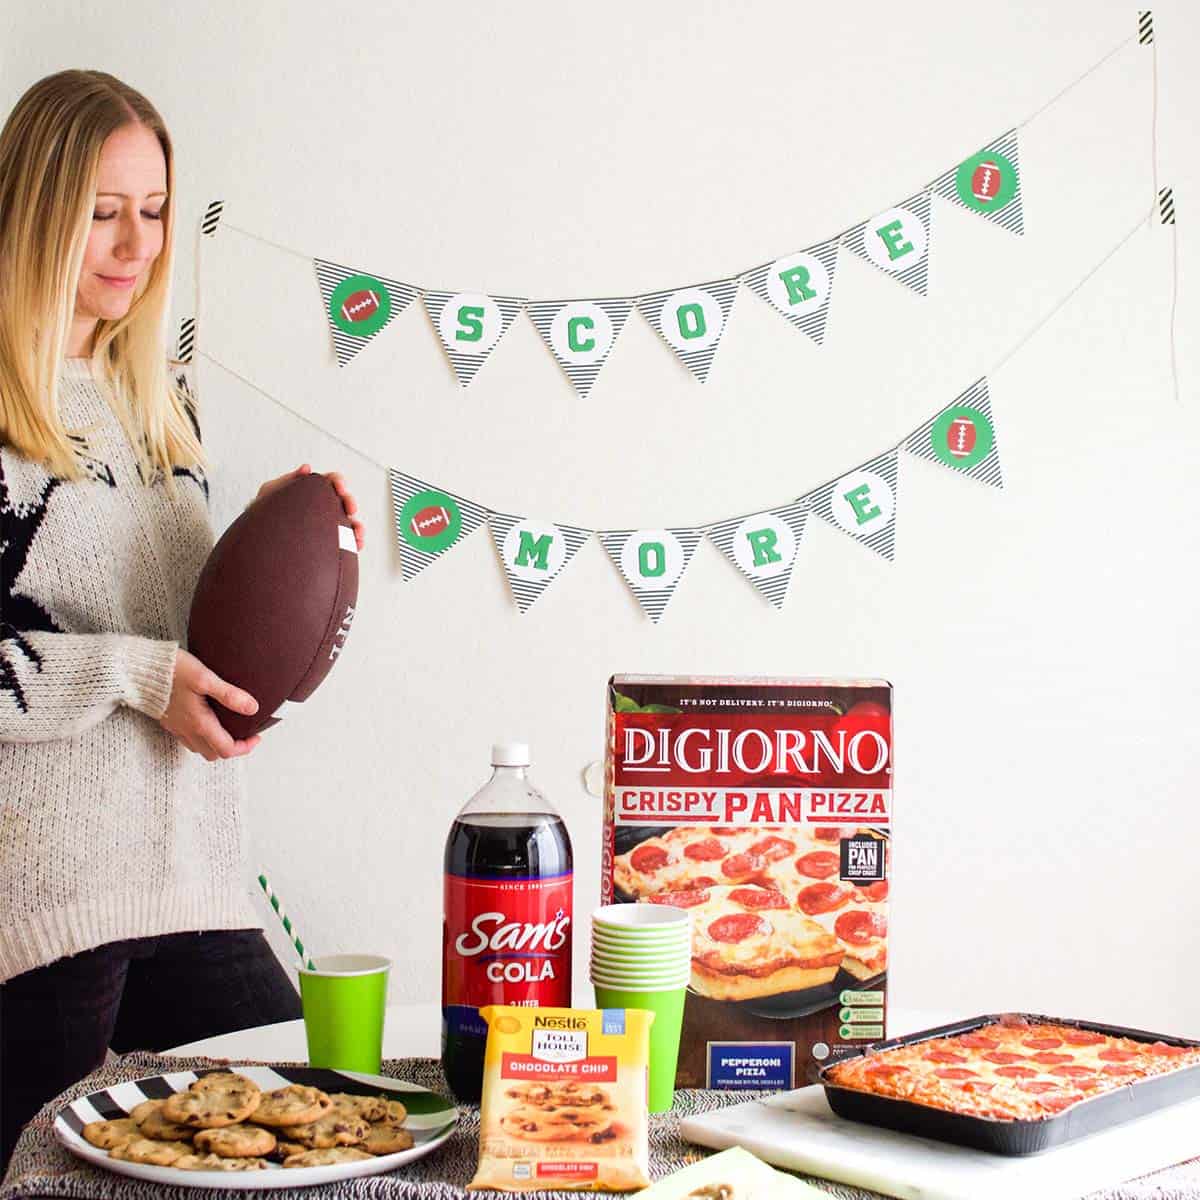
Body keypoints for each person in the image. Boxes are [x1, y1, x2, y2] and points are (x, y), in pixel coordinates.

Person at [0, 70, 365, 1174]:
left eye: (153, 211)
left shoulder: (157, 401)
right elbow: (125, 655)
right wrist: (131, 674)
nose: (135, 243)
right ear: (31, 210)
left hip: (190, 875)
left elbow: (173, 613)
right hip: (52, 896)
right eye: (100, 213)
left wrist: (265, 542)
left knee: (311, 1127)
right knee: (39, 1171)